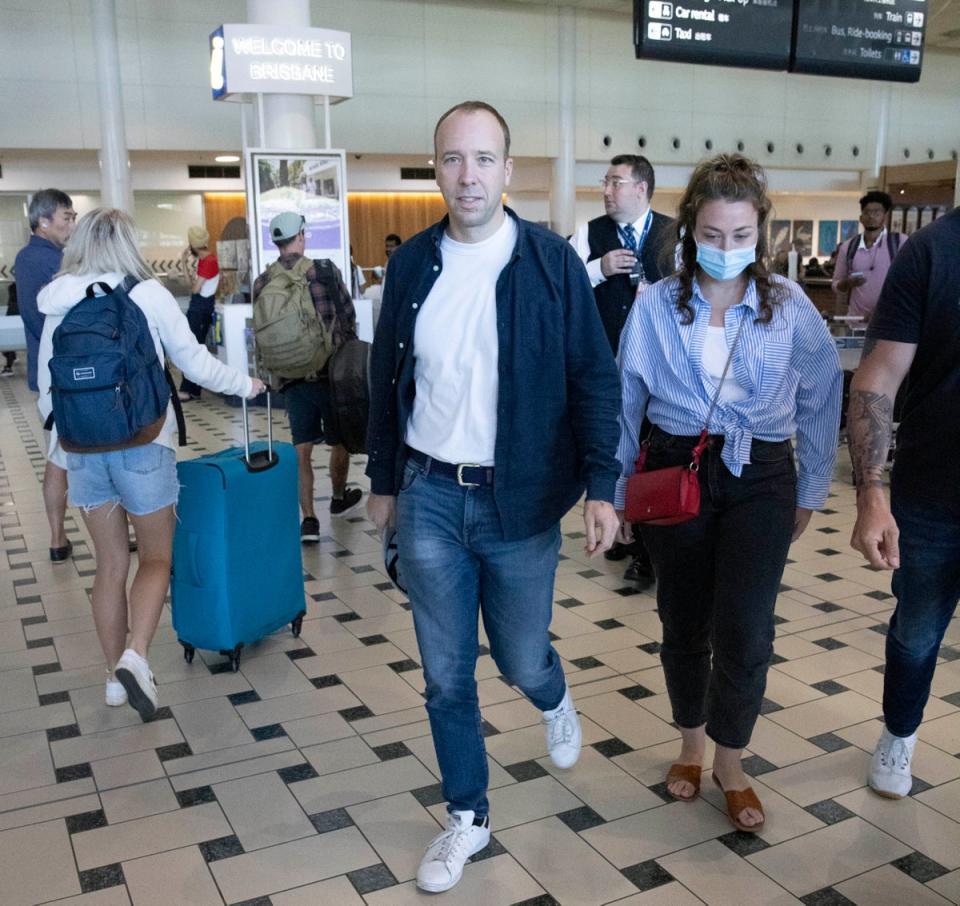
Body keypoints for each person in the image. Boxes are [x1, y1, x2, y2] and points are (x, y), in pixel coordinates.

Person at [365, 100, 621, 893]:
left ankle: (553, 692)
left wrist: (603, 486)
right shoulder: (411, 265)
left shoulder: (550, 265)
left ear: (509, 171)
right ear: (435, 168)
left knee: (516, 656)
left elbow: (594, 379)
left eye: (483, 159)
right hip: (431, 494)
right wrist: (381, 482)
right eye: (452, 159)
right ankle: (468, 817)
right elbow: (386, 381)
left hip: (519, 501)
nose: (467, 175)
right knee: (446, 674)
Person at [615, 154, 841, 834]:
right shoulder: (656, 304)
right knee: (684, 621)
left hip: (761, 474)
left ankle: (732, 762)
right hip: (673, 466)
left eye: (740, 236)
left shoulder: (790, 306)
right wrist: (619, 489)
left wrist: (813, 485)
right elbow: (627, 398)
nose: (726, 249)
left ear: (760, 235)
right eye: (712, 235)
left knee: (746, 627)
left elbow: (823, 392)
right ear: (689, 232)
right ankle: (689, 745)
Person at [36, 208, 263, 719]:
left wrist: (68, 443)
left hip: (82, 452)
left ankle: (113, 679)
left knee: (109, 565)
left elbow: (47, 389)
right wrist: (246, 385)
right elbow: (194, 361)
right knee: (157, 558)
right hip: (145, 442)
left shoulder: (59, 299)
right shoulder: (147, 293)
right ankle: (136, 656)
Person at [847, 207, 960, 799]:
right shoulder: (932, 252)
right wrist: (871, 491)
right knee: (917, 630)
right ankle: (900, 732)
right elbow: (877, 380)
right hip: (934, 492)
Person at [570, 154, 673, 588]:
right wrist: (599, 269)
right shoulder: (588, 233)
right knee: (614, 450)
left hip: (662, 369)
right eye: (605, 182)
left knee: (653, 455)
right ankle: (621, 530)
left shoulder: (674, 233)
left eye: (616, 182)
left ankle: (648, 549)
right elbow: (566, 286)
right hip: (607, 369)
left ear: (641, 189)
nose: (607, 191)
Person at [252, 212, 363, 542]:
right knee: (339, 442)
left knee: (301, 450)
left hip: (291, 378)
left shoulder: (262, 281)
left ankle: (309, 520)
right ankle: (339, 498)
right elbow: (347, 316)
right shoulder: (323, 271)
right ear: (301, 235)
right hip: (331, 374)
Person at [14, 189, 76, 562]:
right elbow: (44, 319)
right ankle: (57, 536)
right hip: (61, 375)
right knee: (63, 456)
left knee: (61, 456)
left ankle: (58, 538)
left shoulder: (46, 256)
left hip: (57, 374)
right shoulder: (41, 259)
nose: (72, 223)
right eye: (66, 217)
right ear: (43, 222)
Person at [832, 191, 907, 322]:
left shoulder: (899, 242)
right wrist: (848, 283)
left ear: (885, 216)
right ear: (861, 217)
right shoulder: (848, 247)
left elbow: (911, 281)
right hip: (856, 320)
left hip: (889, 321)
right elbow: (836, 284)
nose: (871, 216)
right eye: (867, 212)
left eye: (877, 213)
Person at [177, 226, 220, 402]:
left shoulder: (209, 261)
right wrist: (183, 263)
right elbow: (191, 285)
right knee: (192, 348)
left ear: (192, 244)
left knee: (192, 350)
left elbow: (195, 288)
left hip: (201, 310)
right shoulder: (204, 261)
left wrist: (186, 262)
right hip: (197, 308)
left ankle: (190, 390)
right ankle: (192, 389)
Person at [2, 283, 18, 376]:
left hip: (13, 310)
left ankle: (9, 366)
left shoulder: (12, 288)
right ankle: (11, 358)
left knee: (8, 341)